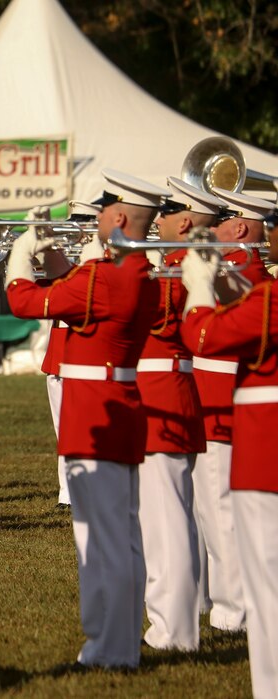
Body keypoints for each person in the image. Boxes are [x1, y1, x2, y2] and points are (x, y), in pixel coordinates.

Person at [6, 169, 167, 668]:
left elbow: (22, 300)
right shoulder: (133, 272)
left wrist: (19, 256)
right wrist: (60, 252)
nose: (94, 219)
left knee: (101, 537)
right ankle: (114, 640)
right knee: (119, 532)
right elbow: (77, 290)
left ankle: (111, 646)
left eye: (100, 212)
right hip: (115, 402)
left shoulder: (107, 277)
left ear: (117, 217)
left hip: (94, 409)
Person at [180, 198, 278, 699]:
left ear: (239, 225)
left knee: (224, 515)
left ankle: (232, 606)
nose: (211, 229)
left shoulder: (260, 278)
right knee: (212, 510)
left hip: (234, 405)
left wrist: (200, 283)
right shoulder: (250, 276)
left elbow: (208, 333)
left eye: (219, 222)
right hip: (222, 400)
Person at [128, 177, 220, 651]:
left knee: (167, 522)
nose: (156, 220)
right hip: (160, 391)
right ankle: (172, 622)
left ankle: (175, 630)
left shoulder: (187, 265)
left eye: (164, 212)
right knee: (165, 519)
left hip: (164, 392)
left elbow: (157, 316)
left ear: (183, 221)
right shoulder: (178, 263)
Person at [40, 201, 100, 508]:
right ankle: (67, 490)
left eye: (83, 228)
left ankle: (86, 485)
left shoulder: (101, 261)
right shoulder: (63, 259)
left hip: (85, 349)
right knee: (61, 426)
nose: (76, 237)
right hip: (59, 350)